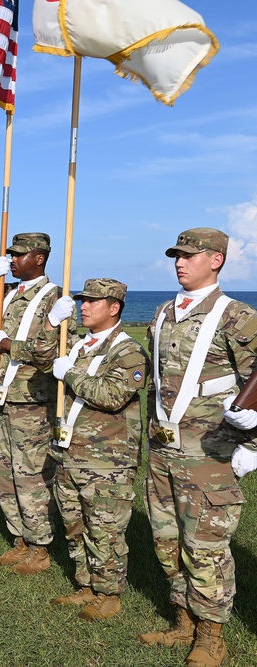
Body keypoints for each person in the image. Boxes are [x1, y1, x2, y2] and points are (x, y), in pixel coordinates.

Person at [138, 228, 257, 667]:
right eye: (177, 255)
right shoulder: (164, 312)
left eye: (191, 255)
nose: (180, 262)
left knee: (205, 547)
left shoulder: (237, 316)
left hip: (211, 456)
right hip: (164, 449)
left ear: (217, 260)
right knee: (166, 540)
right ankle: (183, 621)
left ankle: (212, 638)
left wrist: (255, 442)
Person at [0, 232, 75, 574]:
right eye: (9, 255)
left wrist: (10, 345)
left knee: (30, 475)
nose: (12, 260)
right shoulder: (7, 293)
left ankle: (40, 546)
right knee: (4, 474)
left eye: (18, 255)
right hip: (3, 398)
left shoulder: (55, 298)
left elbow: (52, 354)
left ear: (39, 258)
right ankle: (21, 539)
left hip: (32, 400)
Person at [48, 278, 147, 621]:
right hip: (69, 451)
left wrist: (71, 374)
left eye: (92, 301)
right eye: (81, 300)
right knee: (74, 524)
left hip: (107, 460)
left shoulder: (127, 350)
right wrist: (51, 321)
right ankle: (86, 584)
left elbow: (111, 395)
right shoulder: (78, 345)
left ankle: (109, 594)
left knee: (105, 530)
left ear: (114, 307)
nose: (83, 306)